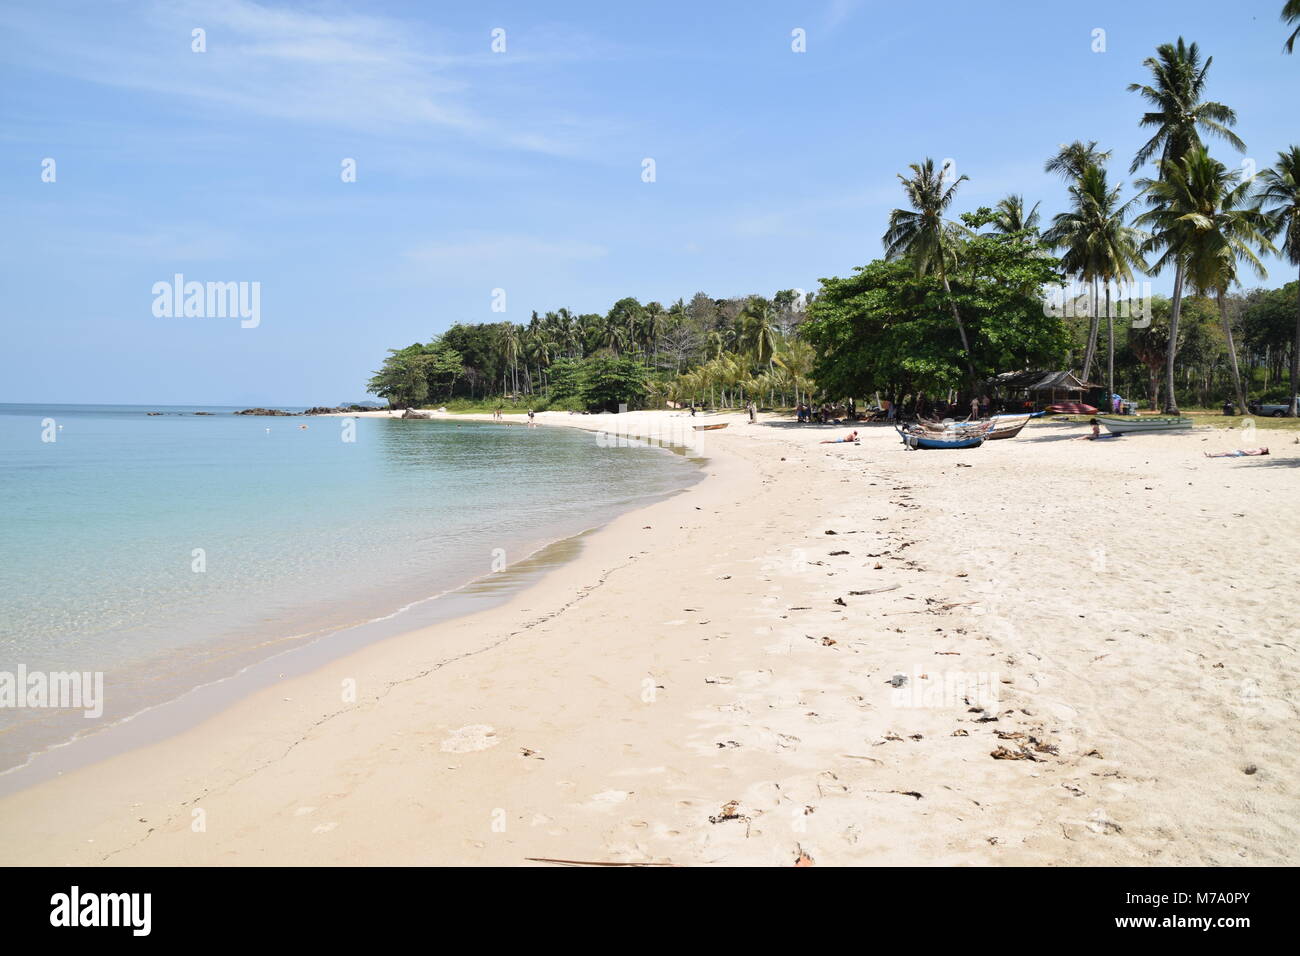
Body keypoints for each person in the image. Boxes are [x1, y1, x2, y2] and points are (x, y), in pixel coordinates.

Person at [1204, 447, 1269, 458]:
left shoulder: (1259, 452)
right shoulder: (1258, 450)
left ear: (1264, 451)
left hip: (1240, 454)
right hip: (1240, 452)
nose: (1263, 447)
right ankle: (1211, 455)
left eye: (1265, 448)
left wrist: (1243, 451)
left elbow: (1251, 455)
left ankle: (1211, 455)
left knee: (1225, 453)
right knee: (1225, 452)